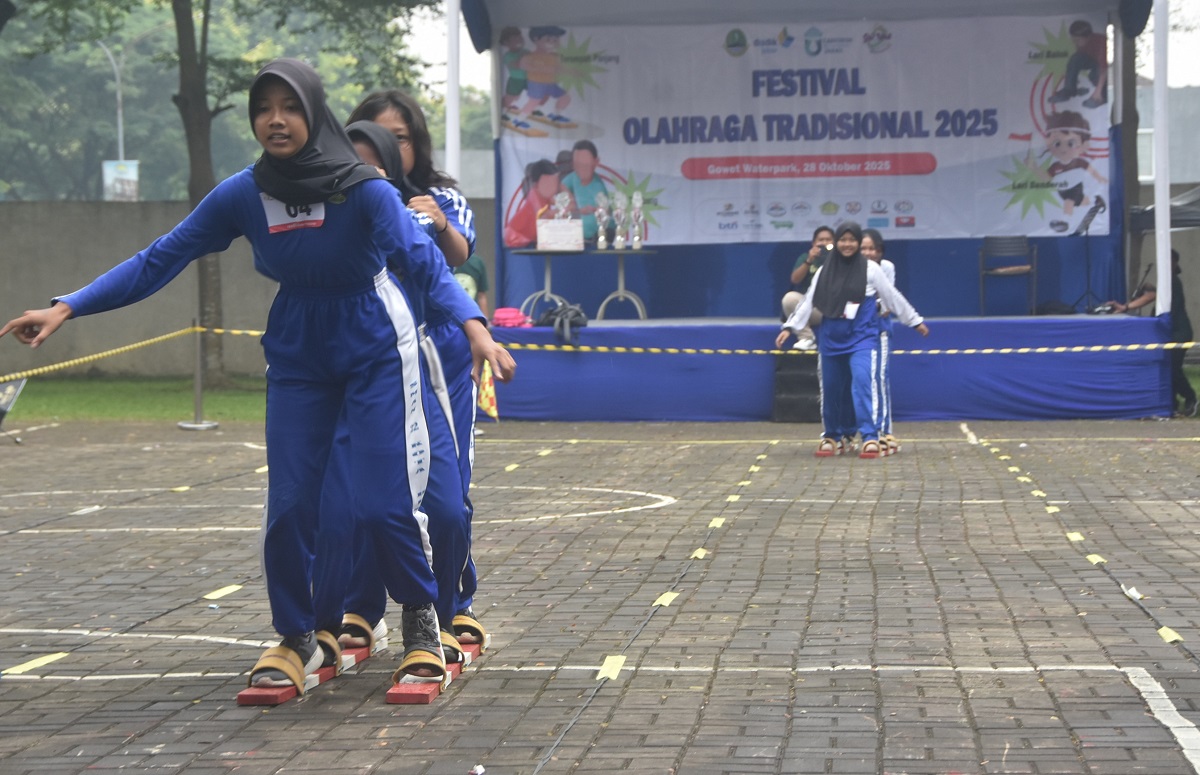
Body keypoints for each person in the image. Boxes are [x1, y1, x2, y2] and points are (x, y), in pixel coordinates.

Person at [0, 58, 515, 692]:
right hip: (299, 348)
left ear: (314, 113)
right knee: (292, 504)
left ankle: (419, 622)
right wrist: (69, 304)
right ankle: (298, 635)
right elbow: (162, 256)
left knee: (385, 503)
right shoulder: (245, 193)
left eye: (290, 107)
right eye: (263, 108)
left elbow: (425, 265)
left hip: (376, 343)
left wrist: (475, 327)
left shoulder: (365, 190)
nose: (276, 119)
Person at [333, 97, 492, 661]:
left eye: (399, 139)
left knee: (447, 494)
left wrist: (440, 222)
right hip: (370, 352)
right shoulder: (338, 200)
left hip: (438, 353)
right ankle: (360, 604)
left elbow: (457, 256)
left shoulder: (438, 198)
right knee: (362, 488)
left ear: (416, 145)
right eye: (372, 141)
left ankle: (451, 602)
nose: (385, 151)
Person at [776, 222, 929, 459]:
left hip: (862, 338)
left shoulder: (870, 269)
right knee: (831, 388)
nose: (847, 245)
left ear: (858, 243)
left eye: (852, 240)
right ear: (836, 243)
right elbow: (808, 300)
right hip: (831, 339)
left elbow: (891, 295)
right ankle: (833, 435)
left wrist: (914, 320)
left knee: (862, 382)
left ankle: (869, 436)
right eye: (843, 240)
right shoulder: (824, 270)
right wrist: (789, 327)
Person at [1104, 249, 1197, 417]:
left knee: (1173, 368)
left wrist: (1125, 307)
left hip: (1178, 333)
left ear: (1174, 263)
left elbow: (1152, 296)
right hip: (1169, 332)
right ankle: (1172, 403)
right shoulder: (1168, 282)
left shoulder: (1172, 281)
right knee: (1167, 368)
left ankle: (1191, 398)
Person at [861, 228, 899, 455]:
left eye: (872, 248)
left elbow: (887, 305)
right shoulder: (848, 269)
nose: (867, 252)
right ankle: (860, 432)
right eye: (863, 248)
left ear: (879, 250)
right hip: (854, 334)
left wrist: (867, 308)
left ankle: (884, 431)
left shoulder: (886, 268)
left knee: (879, 378)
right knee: (862, 381)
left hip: (878, 330)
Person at [781, 225, 835, 351]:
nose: (824, 243)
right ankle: (806, 338)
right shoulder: (806, 257)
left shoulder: (841, 258)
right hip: (812, 309)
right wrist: (809, 260)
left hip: (834, 310)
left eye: (828, 240)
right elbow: (795, 279)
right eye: (821, 240)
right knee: (789, 298)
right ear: (814, 243)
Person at [1048, 19, 1108, 109]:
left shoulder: (1101, 44)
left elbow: (1104, 70)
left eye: (1077, 40)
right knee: (1075, 58)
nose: (1074, 43)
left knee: (1094, 75)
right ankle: (1068, 91)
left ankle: (1101, 97)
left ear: (1088, 37)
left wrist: (1097, 92)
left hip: (1111, 66)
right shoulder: (1081, 43)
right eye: (1073, 39)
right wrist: (1072, 78)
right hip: (1094, 60)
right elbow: (1078, 60)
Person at [504, 158, 561, 248]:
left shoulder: (547, 195)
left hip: (531, 236)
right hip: (516, 235)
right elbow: (541, 215)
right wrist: (558, 212)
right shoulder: (534, 193)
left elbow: (561, 204)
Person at [561, 140, 609, 244]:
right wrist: (571, 202)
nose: (581, 168)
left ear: (596, 162)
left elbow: (604, 213)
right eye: (578, 164)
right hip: (577, 238)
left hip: (596, 238)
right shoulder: (573, 177)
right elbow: (560, 188)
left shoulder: (598, 187)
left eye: (585, 164)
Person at [455, 253, 491, 319]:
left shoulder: (477, 263)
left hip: (472, 317)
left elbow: (482, 296)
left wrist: (486, 320)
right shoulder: (443, 261)